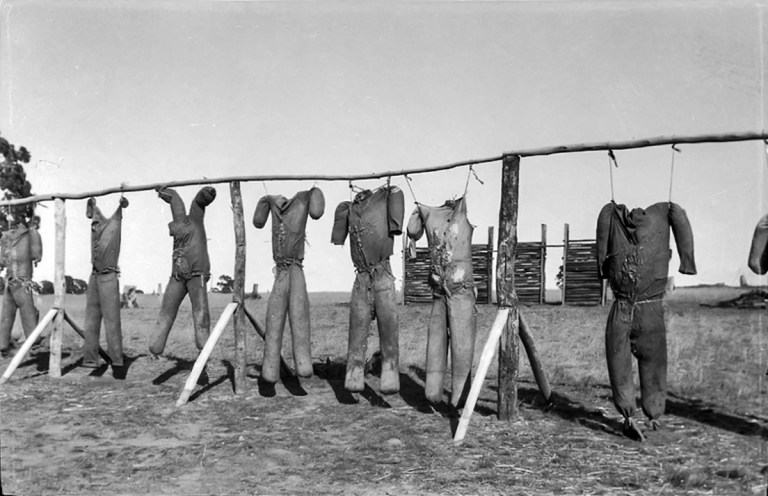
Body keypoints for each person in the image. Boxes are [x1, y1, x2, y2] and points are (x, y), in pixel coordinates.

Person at [596, 201, 696, 439]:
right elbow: (681, 221)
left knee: (632, 362)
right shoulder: (666, 212)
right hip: (639, 308)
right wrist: (687, 264)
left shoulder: (609, 214)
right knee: (639, 362)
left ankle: (643, 416)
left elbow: (601, 249)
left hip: (632, 308)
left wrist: (603, 268)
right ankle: (640, 416)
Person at [331, 183, 404, 394]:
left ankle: (390, 372)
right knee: (357, 328)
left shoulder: (388, 196)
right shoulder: (347, 209)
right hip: (361, 278)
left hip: (382, 274)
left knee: (388, 328)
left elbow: (397, 199)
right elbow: (338, 236)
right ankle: (354, 373)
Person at [406, 196, 476, 407]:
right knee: (436, 343)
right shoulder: (429, 213)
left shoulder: (462, 211)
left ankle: (461, 400)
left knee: (462, 346)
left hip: (461, 290)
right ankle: (433, 394)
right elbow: (412, 231)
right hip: (438, 292)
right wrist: (416, 213)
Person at [253, 187, 325, 383]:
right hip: (282, 272)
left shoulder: (304, 198)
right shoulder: (270, 200)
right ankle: (270, 369)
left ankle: (302, 363)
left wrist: (315, 192)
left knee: (299, 317)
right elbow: (258, 221)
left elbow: (317, 211)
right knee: (274, 320)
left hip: (294, 270)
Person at [149, 187, 216, 371]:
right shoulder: (178, 230)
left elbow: (198, 202)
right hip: (177, 276)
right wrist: (162, 191)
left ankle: (203, 352)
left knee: (200, 314)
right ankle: (155, 346)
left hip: (196, 274)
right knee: (166, 312)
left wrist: (208, 192)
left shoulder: (194, 221)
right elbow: (174, 199)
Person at [82, 196, 128, 375]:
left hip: (109, 276)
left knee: (112, 321)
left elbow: (122, 209)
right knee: (91, 319)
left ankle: (117, 361)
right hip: (94, 276)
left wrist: (123, 202)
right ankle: (90, 359)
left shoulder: (115, 223)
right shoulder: (95, 223)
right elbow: (90, 212)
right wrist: (91, 203)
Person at [0, 215, 42, 357]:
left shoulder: (6, 237)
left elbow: (2, 262)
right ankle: (33, 345)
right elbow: (37, 256)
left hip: (10, 281)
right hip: (21, 281)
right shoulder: (31, 234)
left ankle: (4, 346)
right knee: (27, 312)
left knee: (7, 316)